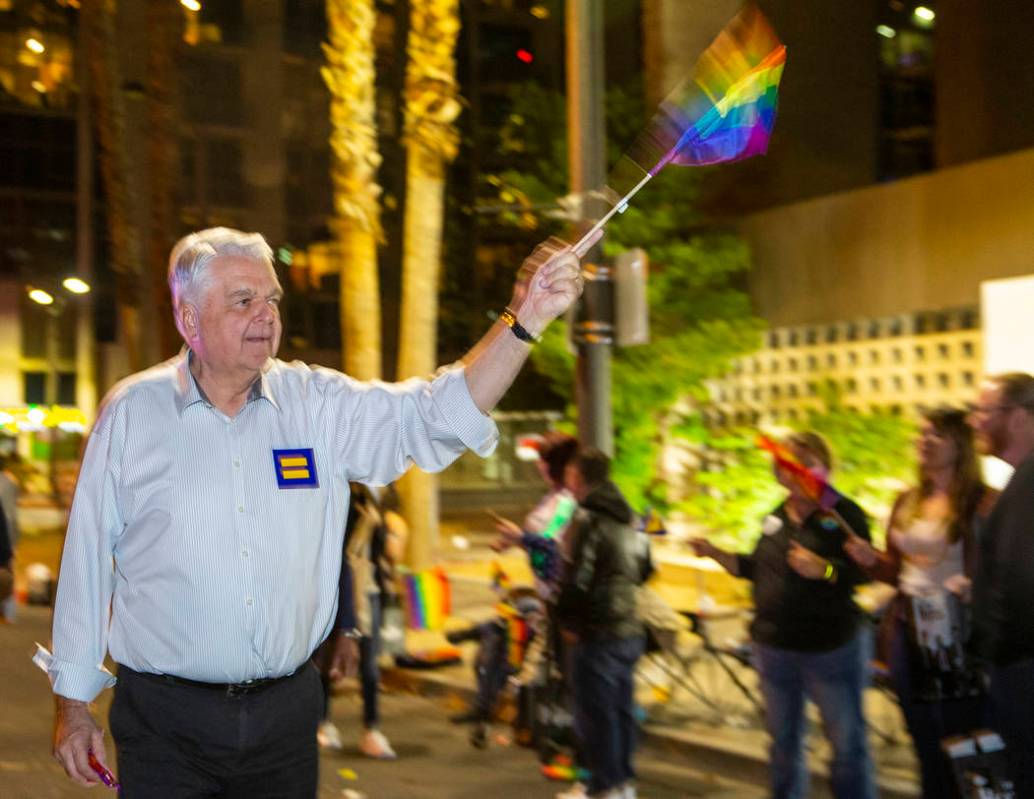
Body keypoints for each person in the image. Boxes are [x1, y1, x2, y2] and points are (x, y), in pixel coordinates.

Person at [40, 225, 593, 795]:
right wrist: (73, 704)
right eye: (244, 300)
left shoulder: (317, 406)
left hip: (284, 720)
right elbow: (87, 565)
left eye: (272, 298)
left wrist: (523, 320)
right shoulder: (133, 414)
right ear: (189, 319)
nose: (267, 315)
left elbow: (434, 417)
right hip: (165, 724)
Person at [691, 431, 876, 799]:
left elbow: (862, 575)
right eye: (785, 464)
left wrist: (822, 569)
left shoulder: (842, 514)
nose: (792, 472)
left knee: (846, 746)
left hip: (830, 649)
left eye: (803, 463)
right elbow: (756, 568)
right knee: (783, 745)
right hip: (775, 647)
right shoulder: (774, 517)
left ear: (823, 467)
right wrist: (715, 552)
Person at [844, 407, 994, 798]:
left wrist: (974, 586)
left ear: (959, 446)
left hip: (955, 630)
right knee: (921, 731)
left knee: (960, 732)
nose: (923, 442)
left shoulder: (981, 502)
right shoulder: (907, 500)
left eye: (936, 436)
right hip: (907, 625)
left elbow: (999, 567)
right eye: (921, 434)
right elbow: (895, 571)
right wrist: (870, 560)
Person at [555, 448, 653, 799]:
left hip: (595, 629)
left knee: (596, 714)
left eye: (570, 474)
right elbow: (645, 569)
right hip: (629, 627)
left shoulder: (585, 518)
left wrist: (567, 618)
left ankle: (604, 785)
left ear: (578, 477)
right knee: (621, 709)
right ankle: (624, 782)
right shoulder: (631, 517)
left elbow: (577, 577)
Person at [968, 372, 1034, 796]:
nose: (975, 421)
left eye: (984, 411)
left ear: (1020, 417)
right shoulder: (1019, 482)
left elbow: (1021, 583)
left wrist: (994, 653)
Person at [316, 483, 399, 759]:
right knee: (331, 659)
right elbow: (338, 552)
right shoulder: (347, 495)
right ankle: (323, 722)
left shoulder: (378, 499)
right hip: (345, 588)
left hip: (370, 589)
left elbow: (382, 554)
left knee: (369, 664)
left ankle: (371, 730)